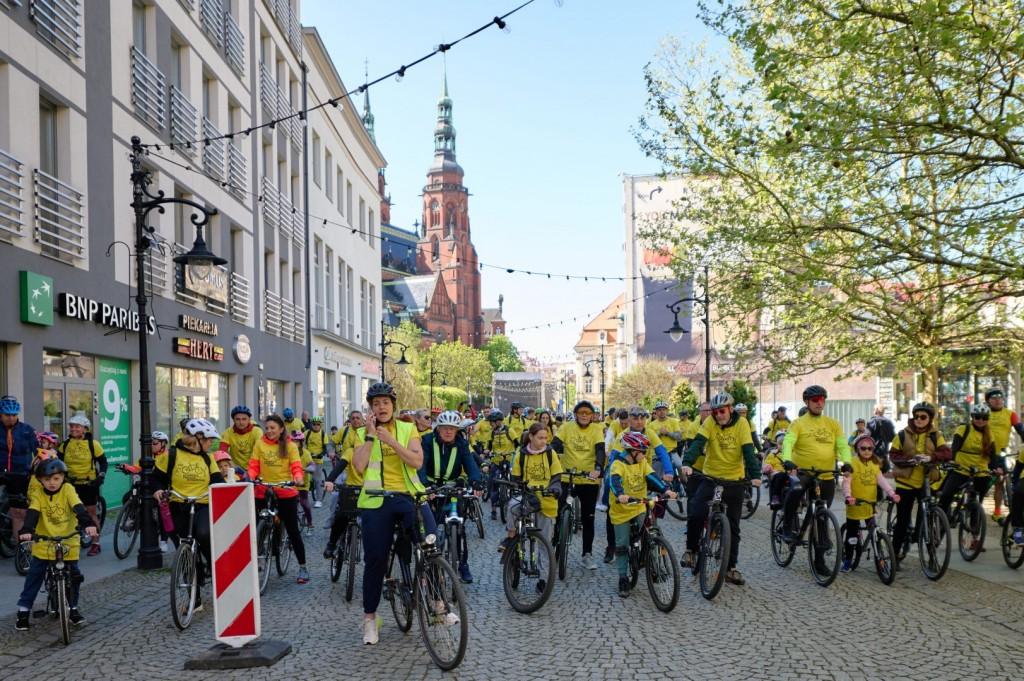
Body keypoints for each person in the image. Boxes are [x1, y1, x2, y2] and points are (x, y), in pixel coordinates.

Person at [352, 382, 434, 645]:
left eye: (385, 403)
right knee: (375, 558)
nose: (381, 407)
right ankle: (370, 619)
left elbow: (416, 461)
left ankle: (437, 601)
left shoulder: (408, 428)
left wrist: (391, 441)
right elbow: (359, 466)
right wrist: (370, 436)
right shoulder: (363, 432)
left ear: (393, 406)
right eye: (376, 404)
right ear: (371, 409)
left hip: (408, 495)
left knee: (431, 541)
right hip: (377, 500)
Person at [680, 392, 760, 584]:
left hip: (734, 480)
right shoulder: (710, 423)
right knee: (697, 512)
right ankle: (691, 551)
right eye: (715, 412)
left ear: (731, 410)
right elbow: (698, 443)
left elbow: (749, 452)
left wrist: (755, 476)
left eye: (722, 411)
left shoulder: (742, 424)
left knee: (733, 526)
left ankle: (731, 568)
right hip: (711, 477)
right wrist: (687, 462)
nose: (718, 415)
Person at [15, 459, 98, 631]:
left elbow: (78, 507)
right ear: (40, 480)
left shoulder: (68, 489)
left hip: (68, 539)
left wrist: (88, 524)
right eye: (47, 479)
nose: (52, 483)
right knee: (34, 575)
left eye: (56, 479)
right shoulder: (38, 493)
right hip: (44, 540)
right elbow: (33, 512)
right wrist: (27, 528)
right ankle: (23, 611)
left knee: (74, 575)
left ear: (62, 478)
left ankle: (73, 609)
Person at [154, 418, 224, 606]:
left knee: (203, 534)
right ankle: (196, 599)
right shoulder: (172, 455)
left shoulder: (207, 458)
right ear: (198, 438)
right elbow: (157, 478)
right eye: (208, 439)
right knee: (184, 550)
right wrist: (158, 490)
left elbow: (218, 480)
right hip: (179, 504)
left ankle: (215, 567)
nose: (211, 443)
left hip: (202, 504)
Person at [780, 386, 851, 548]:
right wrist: (787, 459)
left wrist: (847, 462)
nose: (819, 403)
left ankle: (819, 559)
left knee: (821, 514)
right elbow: (788, 442)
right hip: (804, 472)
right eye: (815, 400)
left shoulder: (833, 424)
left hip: (826, 474)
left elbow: (842, 445)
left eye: (822, 400)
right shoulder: (798, 424)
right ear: (806, 402)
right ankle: (787, 525)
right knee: (797, 489)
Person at [499, 422, 563, 598]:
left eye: (546, 438)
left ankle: (543, 580)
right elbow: (516, 477)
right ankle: (511, 536)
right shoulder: (521, 454)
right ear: (531, 437)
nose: (544, 441)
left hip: (547, 499)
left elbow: (557, 476)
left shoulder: (551, 454)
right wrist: (521, 486)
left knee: (545, 543)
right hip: (527, 496)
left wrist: (555, 487)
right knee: (512, 506)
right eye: (540, 437)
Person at [419, 410, 483, 583]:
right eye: (445, 428)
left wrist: (477, 481)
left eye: (452, 429)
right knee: (428, 530)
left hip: (453, 491)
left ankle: (462, 565)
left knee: (459, 529)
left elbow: (470, 464)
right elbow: (421, 465)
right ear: (438, 428)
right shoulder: (426, 441)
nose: (448, 432)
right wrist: (426, 485)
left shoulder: (462, 444)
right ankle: (427, 564)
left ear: (457, 430)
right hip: (431, 490)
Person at [610, 431, 674, 597]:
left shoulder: (642, 462)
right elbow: (614, 481)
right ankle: (623, 577)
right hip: (622, 509)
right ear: (632, 451)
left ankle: (653, 562)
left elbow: (652, 477)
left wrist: (665, 489)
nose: (645, 454)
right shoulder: (618, 464)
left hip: (639, 505)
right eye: (642, 451)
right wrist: (619, 495)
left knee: (650, 530)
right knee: (622, 544)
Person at [248, 414, 309, 585]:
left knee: (292, 530)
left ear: (281, 429)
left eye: (273, 428)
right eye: (267, 428)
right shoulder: (260, 443)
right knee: (255, 526)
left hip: (285, 491)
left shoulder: (290, 446)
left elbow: (296, 465)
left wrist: (297, 477)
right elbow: (254, 465)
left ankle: (303, 567)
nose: (269, 431)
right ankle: (258, 560)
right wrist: (250, 476)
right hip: (263, 490)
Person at [888, 401, 951, 564]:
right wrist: (910, 460)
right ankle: (894, 556)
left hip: (926, 481)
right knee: (902, 520)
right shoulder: (902, 434)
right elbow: (893, 455)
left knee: (927, 520)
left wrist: (932, 457)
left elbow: (946, 452)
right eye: (916, 416)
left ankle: (931, 557)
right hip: (906, 482)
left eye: (923, 417)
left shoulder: (936, 435)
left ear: (929, 419)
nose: (919, 420)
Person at [550, 400, 606, 570]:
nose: (584, 415)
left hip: (589, 479)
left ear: (591, 416)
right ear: (575, 414)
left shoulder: (596, 429)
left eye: (587, 413)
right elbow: (555, 445)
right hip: (568, 477)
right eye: (580, 412)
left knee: (589, 517)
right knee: (558, 511)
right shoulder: (566, 427)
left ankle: (587, 554)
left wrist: (598, 468)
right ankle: (556, 540)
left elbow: (600, 450)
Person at [937, 404, 1004, 540]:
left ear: (988, 419)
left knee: (976, 504)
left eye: (984, 418)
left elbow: (992, 455)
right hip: (961, 468)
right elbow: (954, 448)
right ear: (972, 417)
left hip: (980, 471)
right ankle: (941, 522)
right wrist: (952, 460)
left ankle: (975, 537)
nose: (980, 420)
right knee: (946, 495)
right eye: (977, 417)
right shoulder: (963, 429)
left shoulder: (989, 434)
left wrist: (996, 467)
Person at [840, 434, 900, 572]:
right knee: (852, 536)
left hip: (870, 504)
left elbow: (882, 480)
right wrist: (848, 496)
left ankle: (879, 558)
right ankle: (848, 560)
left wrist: (892, 493)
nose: (867, 451)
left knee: (874, 532)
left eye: (870, 448)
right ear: (857, 449)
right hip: (855, 504)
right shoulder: (852, 463)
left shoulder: (874, 464)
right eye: (863, 448)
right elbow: (846, 482)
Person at [57, 414, 106, 556]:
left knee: (90, 513)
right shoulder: (65, 444)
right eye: (71, 426)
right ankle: (70, 541)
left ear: (84, 429)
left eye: (77, 426)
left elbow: (103, 462)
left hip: (88, 483)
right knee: (69, 512)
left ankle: (96, 543)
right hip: (70, 483)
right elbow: (58, 462)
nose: (73, 429)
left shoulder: (93, 444)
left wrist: (101, 475)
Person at [982, 388, 1024, 522]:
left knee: (999, 482)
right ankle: (974, 507)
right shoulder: (984, 413)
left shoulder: (1010, 414)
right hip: (984, 453)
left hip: (1000, 453)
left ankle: (997, 512)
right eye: (994, 398)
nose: (998, 400)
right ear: (988, 401)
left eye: (1000, 397)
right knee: (982, 483)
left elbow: (1020, 429)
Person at [483, 410, 518, 520]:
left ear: (498, 422)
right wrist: (487, 451)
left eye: (492, 422)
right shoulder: (492, 432)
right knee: (493, 483)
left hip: (508, 460)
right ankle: (493, 509)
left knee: (514, 481)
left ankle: (513, 501)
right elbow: (488, 446)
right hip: (496, 460)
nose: (490, 424)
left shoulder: (509, 431)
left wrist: (516, 453)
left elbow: (518, 444)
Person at [219, 406, 264, 471]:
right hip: (236, 469)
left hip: (254, 468)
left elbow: (259, 452)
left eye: (244, 419)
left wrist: (252, 469)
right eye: (237, 419)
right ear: (233, 420)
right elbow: (222, 452)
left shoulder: (257, 431)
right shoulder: (228, 432)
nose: (241, 422)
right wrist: (230, 466)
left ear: (249, 419)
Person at [292, 431, 315, 532]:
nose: (294, 443)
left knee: (304, 502)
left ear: (301, 442)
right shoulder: (287, 452)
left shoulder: (306, 453)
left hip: (303, 482)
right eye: (292, 441)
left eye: (296, 441)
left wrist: (308, 469)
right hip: (290, 482)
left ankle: (310, 522)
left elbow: (312, 465)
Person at [304, 417, 328, 507]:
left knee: (318, 480)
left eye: (318, 424)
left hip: (318, 460)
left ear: (320, 425)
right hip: (307, 459)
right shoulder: (307, 433)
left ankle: (319, 500)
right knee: (303, 477)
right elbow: (300, 442)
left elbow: (325, 449)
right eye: (314, 424)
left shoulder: (323, 434)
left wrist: (321, 454)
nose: (316, 426)